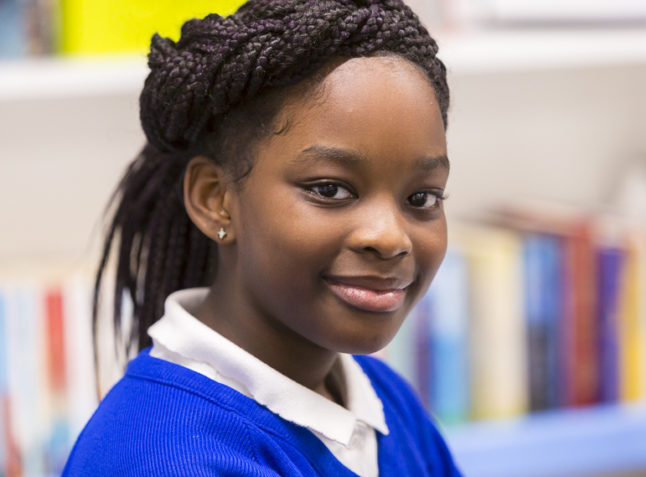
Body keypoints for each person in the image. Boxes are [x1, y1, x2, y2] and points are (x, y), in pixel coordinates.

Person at [63, 0, 459, 475]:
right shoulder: (164, 456)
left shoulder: (381, 397)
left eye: (422, 198)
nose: (390, 237)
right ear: (216, 199)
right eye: (331, 189)